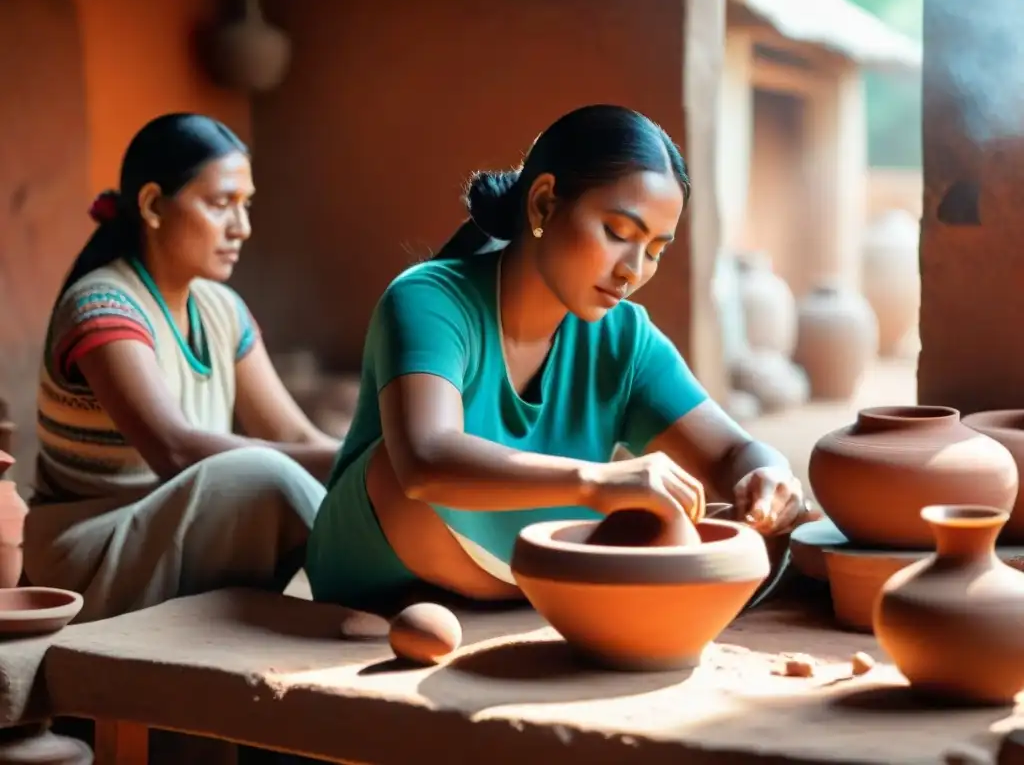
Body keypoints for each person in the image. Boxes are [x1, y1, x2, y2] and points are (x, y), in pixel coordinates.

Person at [306, 104, 813, 616]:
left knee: (681, 522)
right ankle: (571, 585)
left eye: (655, 249)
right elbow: (424, 460)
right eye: (618, 232)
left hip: (527, 569)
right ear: (545, 204)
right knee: (400, 473)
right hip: (388, 565)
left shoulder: (625, 339)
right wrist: (595, 482)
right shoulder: (429, 299)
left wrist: (769, 475)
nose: (633, 270)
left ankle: (560, 585)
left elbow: (731, 453)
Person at [25, 113, 340, 624]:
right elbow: (174, 448)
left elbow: (291, 432)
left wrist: (363, 455)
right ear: (152, 205)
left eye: (246, 205)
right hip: (92, 556)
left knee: (310, 467)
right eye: (220, 204)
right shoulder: (103, 305)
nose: (242, 227)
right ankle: (373, 590)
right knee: (266, 475)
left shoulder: (221, 308)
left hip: (169, 534)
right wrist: (348, 462)